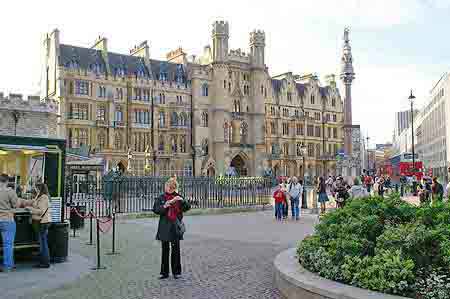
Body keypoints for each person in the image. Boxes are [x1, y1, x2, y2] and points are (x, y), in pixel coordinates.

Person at [153, 177, 191, 279]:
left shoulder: (178, 197)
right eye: (167, 187)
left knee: (176, 250)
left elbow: (187, 207)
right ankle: (164, 273)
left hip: (175, 227)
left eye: (170, 187)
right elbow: (155, 209)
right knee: (165, 250)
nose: (167, 188)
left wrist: (182, 201)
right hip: (165, 226)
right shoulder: (162, 197)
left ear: (173, 188)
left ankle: (176, 272)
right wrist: (165, 206)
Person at [23, 182, 52, 268]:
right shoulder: (39, 196)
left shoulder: (43, 197)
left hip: (42, 222)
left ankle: (45, 262)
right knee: (42, 242)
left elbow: (41, 211)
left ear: (39, 188)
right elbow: (32, 202)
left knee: (43, 243)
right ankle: (43, 261)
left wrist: (30, 209)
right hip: (41, 222)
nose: (34, 189)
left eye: (35, 187)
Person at [0, 174, 20, 272]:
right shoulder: (10, 191)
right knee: (8, 244)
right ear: (7, 181)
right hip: (7, 220)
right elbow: (16, 205)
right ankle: (8, 266)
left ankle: (10, 264)